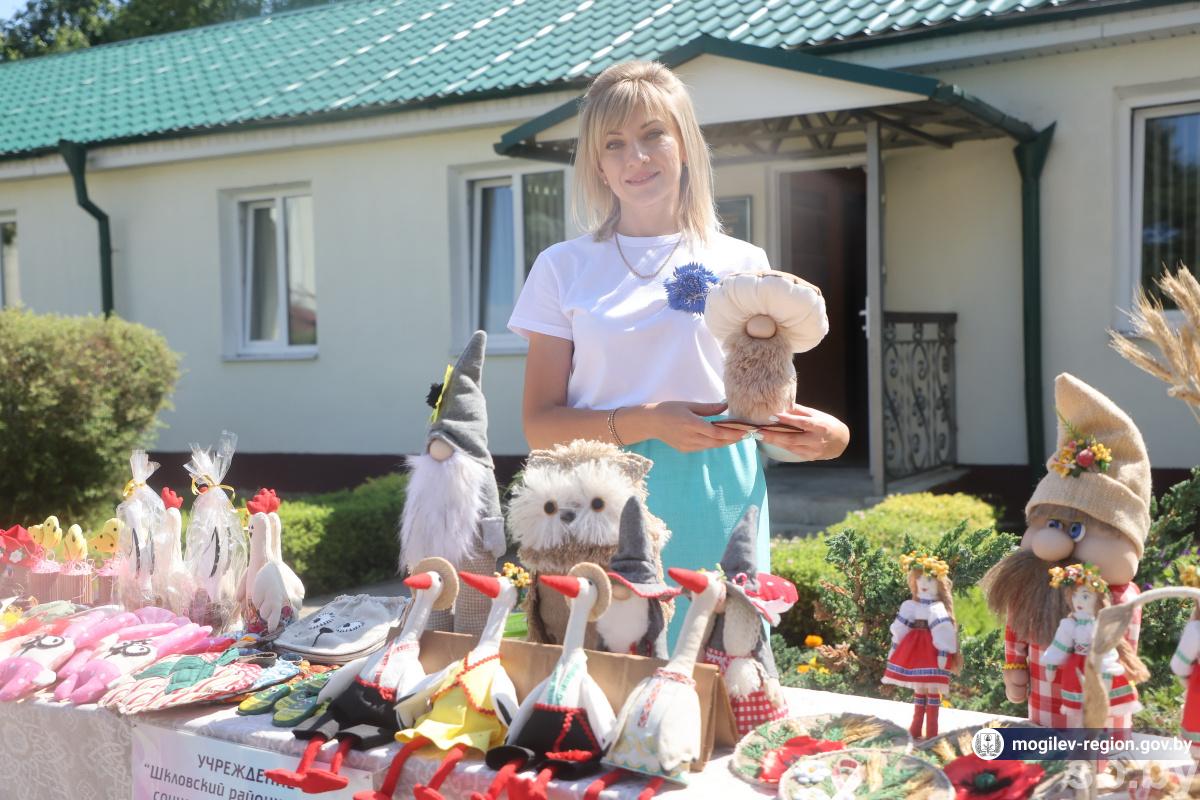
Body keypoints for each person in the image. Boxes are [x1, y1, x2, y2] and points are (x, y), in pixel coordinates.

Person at [508, 60, 849, 639]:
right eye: (614, 144)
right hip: (597, 503)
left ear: (685, 143)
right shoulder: (560, 267)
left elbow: (761, 401)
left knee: (721, 665)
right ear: (597, 163)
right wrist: (649, 421)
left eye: (653, 134)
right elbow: (540, 426)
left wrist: (828, 437)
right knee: (606, 670)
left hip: (719, 494)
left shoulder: (743, 262)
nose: (636, 157)